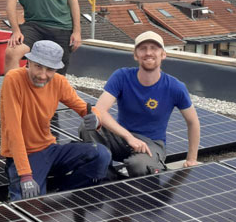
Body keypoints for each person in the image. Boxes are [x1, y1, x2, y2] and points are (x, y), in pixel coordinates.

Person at [0, 39, 111, 200]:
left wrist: (96, 118)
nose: (43, 75)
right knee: (27, 203)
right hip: (25, 156)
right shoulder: (13, 79)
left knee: (101, 154)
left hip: (49, 150)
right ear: (29, 62)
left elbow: (83, 107)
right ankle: (35, 194)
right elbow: (13, 130)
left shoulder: (59, 82)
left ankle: (62, 193)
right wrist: (25, 175)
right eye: (38, 66)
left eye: (50, 69)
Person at [79, 31, 200, 176]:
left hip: (152, 143)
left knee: (138, 166)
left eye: (154, 48)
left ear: (163, 54)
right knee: (88, 126)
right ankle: (106, 174)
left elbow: (193, 122)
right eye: (143, 48)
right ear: (136, 55)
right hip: (121, 138)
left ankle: (150, 165)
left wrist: (192, 159)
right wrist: (128, 137)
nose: (148, 53)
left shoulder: (175, 87)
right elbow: (100, 111)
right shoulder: (122, 76)